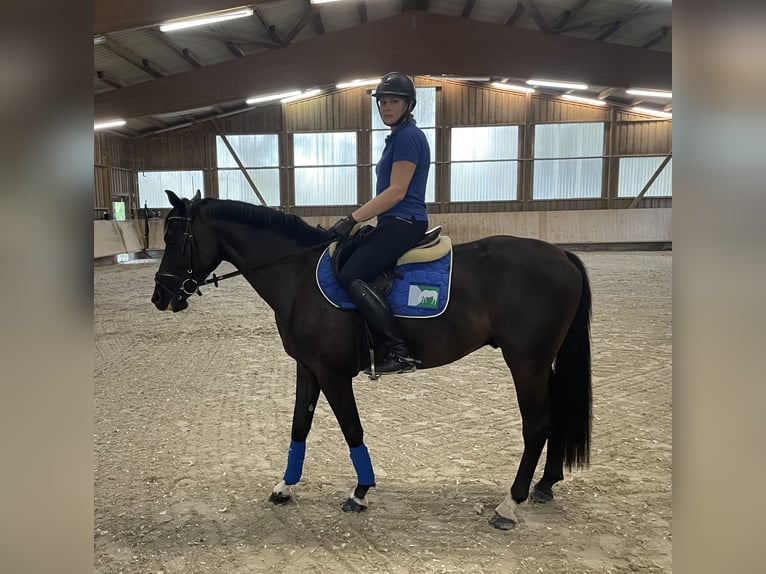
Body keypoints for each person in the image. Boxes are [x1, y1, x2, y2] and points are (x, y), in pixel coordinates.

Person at [328, 72, 430, 374]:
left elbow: (396, 192)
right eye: (382, 102)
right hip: (393, 220)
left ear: (408, 104)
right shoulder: (396, 137)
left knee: (351, 274)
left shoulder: (409, 137)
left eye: (393, 101)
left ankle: (398, 351)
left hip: (404, 219)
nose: (386, 107)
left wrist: (352, 218)